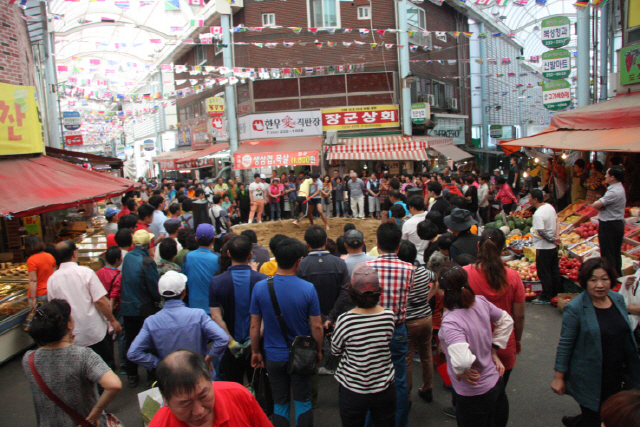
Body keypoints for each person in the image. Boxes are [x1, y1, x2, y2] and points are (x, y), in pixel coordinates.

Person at [551, 257, 640, 427]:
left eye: (605, 279)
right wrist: (558, 377)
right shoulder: (576, 308)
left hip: (619, 374)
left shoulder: (617, 299)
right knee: (595, 416)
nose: (600, 285)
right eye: (593, 280)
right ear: (585, 282)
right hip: (590, 377)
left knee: (614, 414)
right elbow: (565, 344)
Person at [250, 237, 323, 427]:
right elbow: (316, 325)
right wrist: (318, 350)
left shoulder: (260, 287)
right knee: (303, 402)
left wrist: (256, 352)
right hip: (301, 355)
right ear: (298, 261)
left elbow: (255, 325)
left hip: (273, 355)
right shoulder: (308, 289)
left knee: (280, 403)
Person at [461, 228, 526, 425]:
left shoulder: (465, 274)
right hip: (503, 346)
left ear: (479, 246)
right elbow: (519, 315)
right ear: (503, 249)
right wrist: (518, 338)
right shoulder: (513, 277)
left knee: (475, 399)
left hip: (473, 348)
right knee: (498, 395)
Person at [23, 299, 122, 427]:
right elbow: (114, 385)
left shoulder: (28, 359)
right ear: (68, 325)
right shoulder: (83, 355)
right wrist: (96, 412)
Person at [438, 263, 514, 427]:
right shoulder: (480, 302)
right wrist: (494, 350)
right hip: (495, 383)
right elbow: (506, 320)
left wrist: (461, 370)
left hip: (473, 394)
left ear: (443, 291)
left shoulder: (451, 322)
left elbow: (463, 361)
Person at [128, 271, 229, 379]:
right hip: (200, 375)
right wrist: (207, 360)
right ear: (184, 292)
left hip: (172, 379)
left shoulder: (151, 321)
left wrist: (159, 364)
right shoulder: (198, 315)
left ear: (161, 294)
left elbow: (133, 353)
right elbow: (223, 338)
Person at [331, 264, 396, 427]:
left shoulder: (345, 320)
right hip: (383, 385)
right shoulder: (388, 316)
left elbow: (335, 350)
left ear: (352, 292)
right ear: (378, 291)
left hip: (353, 387)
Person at [366, 223, 415, 427]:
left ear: (377, 245)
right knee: (399, 380)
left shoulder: (367, 268)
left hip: (371, 328)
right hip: (396, 329)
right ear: (398, 246)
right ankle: (399, 422)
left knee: (370, 377)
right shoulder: (409, 269)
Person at [149, 349, 272, 427]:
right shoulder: (160, 424)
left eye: (203, 396)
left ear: (211, 382)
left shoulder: (238, 395)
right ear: (165, 400)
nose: (199, 411)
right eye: (185, 403)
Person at [47, 241, 121, 369]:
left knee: (80, 371)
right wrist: (113, 320)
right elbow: (100, 301)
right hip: (94, 330)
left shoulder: (52, 280)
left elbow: (53, 308)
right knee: (103, 368)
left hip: (71, 334)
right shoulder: (86, 272)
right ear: (74, 254)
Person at [210, 235, 268, 384]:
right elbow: (267, 315)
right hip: (258, 345)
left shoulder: (216, 282)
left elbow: (216, 317)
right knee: (258, 387)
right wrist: (253, 341)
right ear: (250, 255)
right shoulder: (262, 280)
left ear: (228, 254)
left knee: (232, 388)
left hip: (229, 347)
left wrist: (231, 342)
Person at [297, 225, 350, 375]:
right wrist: (331, 316)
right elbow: (345, 291)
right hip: (335, 314)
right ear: (326, 242)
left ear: (307, 244)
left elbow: (300, 294)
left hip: (312, 317)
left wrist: (319, 316)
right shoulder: (340, 263)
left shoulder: (301, 266)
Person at [396, 240, 436, 404]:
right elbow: (437, 280)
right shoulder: (424, 272)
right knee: (427, 354)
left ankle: (408, 396)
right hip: (426, 318)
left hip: (409, 320)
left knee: (407, 358)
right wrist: (427, 298)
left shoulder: (401, 275)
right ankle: (428, 388)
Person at [120, 229, 161, 387]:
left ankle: (132, 374)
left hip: (127, 307)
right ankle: (152, 374)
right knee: (149, 341)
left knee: (131, 341)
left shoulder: (128, 257)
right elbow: (153, 286)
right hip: (144, 307)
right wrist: (158, 300)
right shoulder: (147, 262)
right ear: (148, 244)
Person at [529, 189, 562, 305]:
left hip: (543, 248)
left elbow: (541, 232)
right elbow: (557, 221)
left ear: (535, 199)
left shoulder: (538, 214)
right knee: (554, 271)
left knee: (544, 273)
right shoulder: (549, 207)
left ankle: (546, 296)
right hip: (552, 247)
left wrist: (554, 239)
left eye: (530, 197)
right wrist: (556, 237)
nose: (528, 199)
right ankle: (555, 293)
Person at [593, 166, 626, 276]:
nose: (605, 176)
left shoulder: (613, 192)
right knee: (615, 253)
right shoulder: (618, 188)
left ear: (612, 177)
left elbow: (596, 204)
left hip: (609, 225)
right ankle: (616, 276)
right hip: (616, 224)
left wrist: (600, 206)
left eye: (607, 174)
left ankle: (610, 278)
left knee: (608, 254)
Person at [183, 224, 220, 313]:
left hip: (193, 307)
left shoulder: (187, 257)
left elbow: (185, 281)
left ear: (196, 239)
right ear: (213, 239)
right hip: (213, 309)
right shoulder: (218, 258)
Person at [25, 235, 56, 308]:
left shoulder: (31, 260)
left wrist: (33, 298)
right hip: (50, 292)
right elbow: (54, 275)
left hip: (39, 294)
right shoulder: (50, 256)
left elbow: (33, 280)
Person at [402, 196, 428, 264]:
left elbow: (403, 241)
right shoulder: (431, 216)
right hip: (430, 256)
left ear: (412, 208)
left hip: (415, 258)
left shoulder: (408, 223)